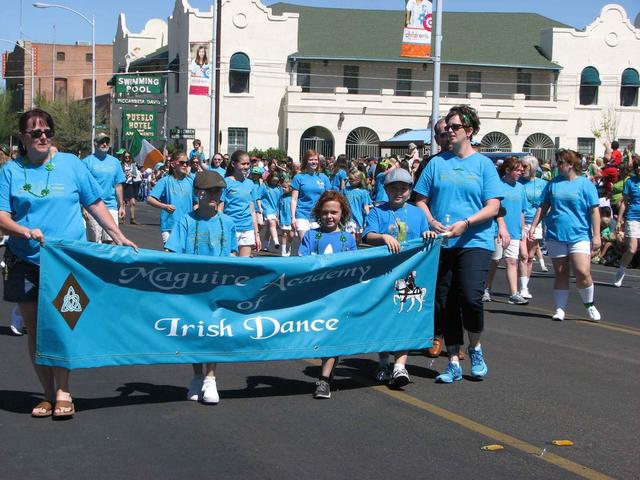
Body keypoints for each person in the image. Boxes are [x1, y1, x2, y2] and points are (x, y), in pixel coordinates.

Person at [0, 109, 137, 418]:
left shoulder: (71, 165)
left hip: (66, 260)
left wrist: (117, 235)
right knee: (35, 328)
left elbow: (94, 202)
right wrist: (24, 231)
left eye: (47, 131)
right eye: (35, 133)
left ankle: (64, 391)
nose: (43, 136)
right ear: (23, 137)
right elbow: (2, 215)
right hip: (26, 258)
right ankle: (47, 394)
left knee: (63, 325)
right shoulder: (11, 171)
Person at [414, 104, 503, 384]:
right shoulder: (437, 163)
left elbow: (493, 206)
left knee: (470, 297)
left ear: (470, 131)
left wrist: (466, 223)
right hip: (442, 242)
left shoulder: (483, 165)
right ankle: (453, 360)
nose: (448, 132)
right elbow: (419, 199)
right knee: (446, 302)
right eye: (446, 128)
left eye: (455, 128)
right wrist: (430, 220)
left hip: (475, 239)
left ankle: (475, 347)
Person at [165, 170, 237, 404]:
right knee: (194, 332)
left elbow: (233, 253)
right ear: (198, 193)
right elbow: (173, 252)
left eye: (217, 191)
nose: (213, 195)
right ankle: (197, 377)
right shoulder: (186, 220)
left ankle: (211, 378)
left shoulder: (228, 222)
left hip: (218, 288)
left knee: (215, 332)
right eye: (208, 191)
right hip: (191, 288)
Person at [364, 167, 435, 388]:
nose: (399, 192)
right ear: (385, 189)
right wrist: (383, 236)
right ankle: (384, 362)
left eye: (403, 188)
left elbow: (426, 234)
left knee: (405, 316)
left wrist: (428, 234)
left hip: (409, 273)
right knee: (383, 317)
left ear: (410, 190)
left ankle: (400, 366)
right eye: (394, 187)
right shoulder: (378, 211)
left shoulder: (417, 212)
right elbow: (367, 235)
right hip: (383, 274)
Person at [529, 149, 602, 321]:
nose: (557, 165)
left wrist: (596, 235)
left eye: (560, 162)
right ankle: (560, 309)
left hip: (580, 234)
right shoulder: (553, 183)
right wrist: (533, 226)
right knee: (561, 272)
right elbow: (543, 206)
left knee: (582, 271)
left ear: (570, 165)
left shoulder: (585, 185)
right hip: (556, 234)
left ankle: (589, 304)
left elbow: (594, 211)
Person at [298, 191, 357, 399]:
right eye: (325, 213)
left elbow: (354, 267)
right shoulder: (311, 236)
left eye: (334, 212)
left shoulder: (348, 239)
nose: (329, 216)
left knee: (330, 335)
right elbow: (301, 263)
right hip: (316, 296)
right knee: (321, 336)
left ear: (342, 214)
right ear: (318, 214)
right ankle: (328, 367)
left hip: (339, 296)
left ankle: (323, 380)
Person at [483, 157, 529, 304]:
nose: (520, 172)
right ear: (508, 170)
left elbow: (522, 210)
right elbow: (494, 208)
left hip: (515, 231)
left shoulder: (521, 188)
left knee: (512, 261)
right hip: (498, 229)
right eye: (517, 170)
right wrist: (499, 227)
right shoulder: (497, 185)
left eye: (521, 170)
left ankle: (514, 293)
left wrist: (523, 229)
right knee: (495, 260)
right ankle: (486, 289)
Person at [83, 133, 126, 243]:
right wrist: (83, 207)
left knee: (111, 239)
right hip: (93, 206)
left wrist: (121, 205)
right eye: (102, 142)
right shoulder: (87, 162)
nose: (105, 144)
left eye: (107, 142)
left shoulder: (115, 162)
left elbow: (118, 185)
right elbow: (83, 185)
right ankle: (94, 260)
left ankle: (107, 261)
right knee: (95, 240)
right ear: (95, 144)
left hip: (111, 205)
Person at [147, 152, 195, 245]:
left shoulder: (191, 181)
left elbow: (196, 202)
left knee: (185, 256)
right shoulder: (165, 181)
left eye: (187, 163)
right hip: (169, 225)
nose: (185, 165)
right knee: (170, 255)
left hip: (187, 225)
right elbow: (150, 199)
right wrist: (164, 206)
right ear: (173, 164)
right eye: (181, 162)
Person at [518, 155, 549, 297]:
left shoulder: (543, 184)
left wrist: (542, 216)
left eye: (525, 166)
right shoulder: (518, 183)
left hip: (535, 223)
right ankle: (523, 288)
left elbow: (547, 204)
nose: (522, 169)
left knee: (530, 256)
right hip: (520, 221)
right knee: (523, 255)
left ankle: (525, 285)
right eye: (521, 166)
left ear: (533, 168)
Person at [221, 150, 262, 257]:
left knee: (244, 264)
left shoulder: (250, 183)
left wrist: (257, 234)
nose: (246, 166)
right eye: (243, 164)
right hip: (230, 228)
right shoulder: (225, 182)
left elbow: (252, 211)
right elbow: (220, 209)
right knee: (230, 264)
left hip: (247, 229)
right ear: (233, 164)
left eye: (248, 164)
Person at [291, 150, 332, 246]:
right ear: (306, 161)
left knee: (317, 245)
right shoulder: (299, 177)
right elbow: (294, 199)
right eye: (311, 160)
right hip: (302, 215)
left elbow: (328, 197)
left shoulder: (323, 177)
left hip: (318, 216)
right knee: (305, 243)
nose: (314, 162)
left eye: (316, 159)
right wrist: (293, 218)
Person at [613, 155, 640, 287]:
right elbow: (624, 202)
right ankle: (621, 271)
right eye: (637, 167)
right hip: (633, 217)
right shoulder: (630, 182)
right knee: (631, 249)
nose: (639, 169)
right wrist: (619, 220)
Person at [343, 169, 372, 243]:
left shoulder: (363, 192)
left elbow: (366, 206)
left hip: (359, 219)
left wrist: (368, 218)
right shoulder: (345, 190)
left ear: (358, 180)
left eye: (351, 179)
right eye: (348, 178)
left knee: (359, 241)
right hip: (349, 219)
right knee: (351, 240)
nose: (349, 180)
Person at [262, 173, 283, 251]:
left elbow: (280, 200)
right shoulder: (265, 187)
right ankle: (276, 241)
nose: (274, 182)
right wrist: (260, 208)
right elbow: (258, 197)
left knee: (269, 228)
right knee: (272, 224)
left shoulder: (279, 188)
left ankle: (265, 245)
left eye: (276, 181)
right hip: (267, 208)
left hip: (275, 209)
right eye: (273, 180)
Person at [121, 151, 141, 224]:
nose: (127, 158)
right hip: (123, 184)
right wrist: (124, 175)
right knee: (123, 203)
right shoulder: (121, 165)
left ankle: (132, 218)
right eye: (126, 156)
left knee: (133, 202)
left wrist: (131, 174)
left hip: (130, 184)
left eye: (128, 156)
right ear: (124, 157)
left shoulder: (133, 165)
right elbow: (118, 174)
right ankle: (123, 217)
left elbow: (135, 175)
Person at [278, 179, 294, 256]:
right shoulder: (281, 197)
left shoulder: (293, 197)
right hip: (284, 218)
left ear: (290, 188)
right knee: (284, 234)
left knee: (291, 235)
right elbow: (279, 208)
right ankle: (283, 250)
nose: (283, 189)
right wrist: (278, 217)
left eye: (285, 187)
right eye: (283, 187)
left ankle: (289, 247)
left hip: (291, 219)